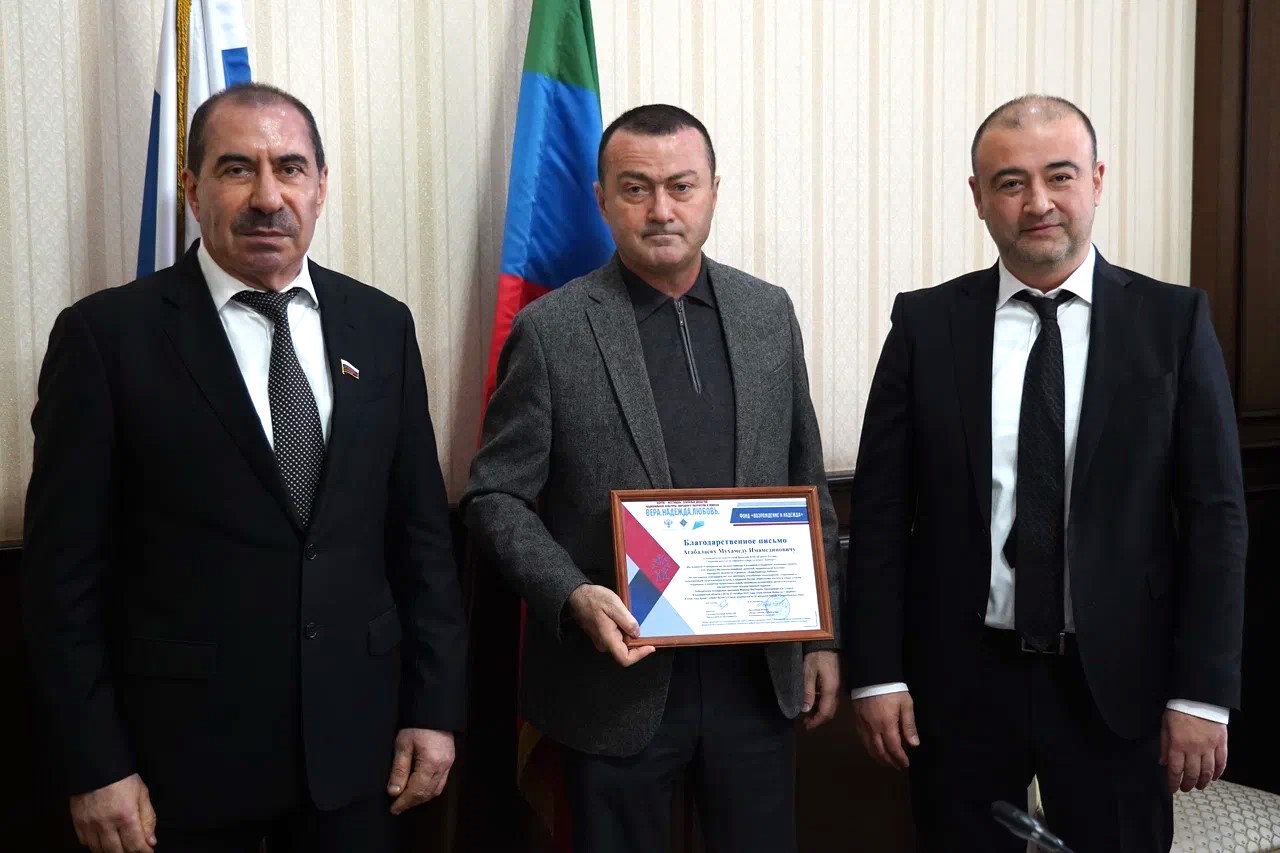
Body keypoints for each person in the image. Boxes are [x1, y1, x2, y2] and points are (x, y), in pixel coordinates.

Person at [21, 83, 467, 853]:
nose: (267, 197)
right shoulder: (106, 337)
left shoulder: (382, 326)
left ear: (320, 187)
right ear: (192, 190)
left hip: (358, 760)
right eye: (237, 169)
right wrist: (93, 764)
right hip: (179, 772)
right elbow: (62, 579)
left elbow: (421, 535)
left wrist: (435, 707)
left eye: (290, 168)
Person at [846, 94, 1247, 852]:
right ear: (978, 197)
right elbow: (880, 514)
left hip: (1119, 683)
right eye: (1010, 182)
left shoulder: (1172, 322)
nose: (1038, 203)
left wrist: (1203, 692)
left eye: (1059, 176)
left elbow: (1216, 518)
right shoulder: (926, 324)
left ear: (1096, 180)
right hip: (959, 681)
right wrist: (877, 673)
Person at [462, 103, 841, 853]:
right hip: (615, 683)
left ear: (713, 192)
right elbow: (494, 495)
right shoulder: (553, 329)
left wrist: (823, 637)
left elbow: (807, 481)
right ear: (601, 198)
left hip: (757, 681)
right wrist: (571, 593)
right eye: (636, 188)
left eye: (681, 186)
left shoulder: (768, 313)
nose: (661, 210)